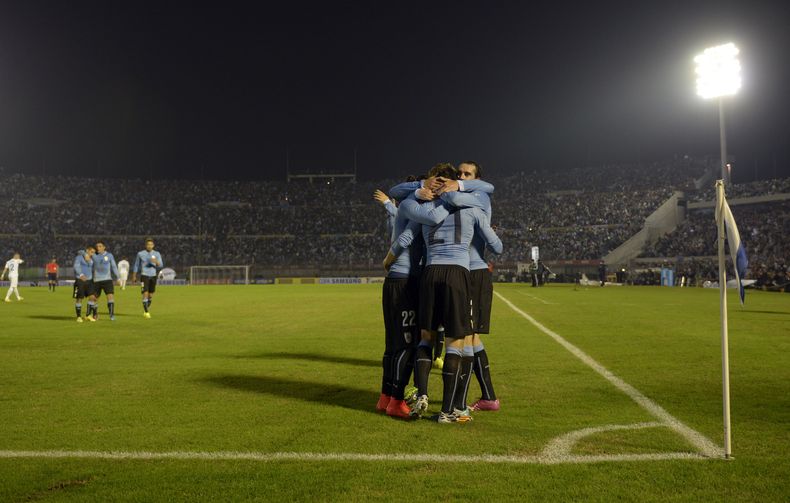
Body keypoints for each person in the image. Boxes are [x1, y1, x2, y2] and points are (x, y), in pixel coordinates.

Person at [393, 163, 503, 424]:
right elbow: (497, 247)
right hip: (458, 273)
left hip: (430, 273)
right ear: (455, 181)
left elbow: (407, 229)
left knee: (426, 337)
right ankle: (450, 410)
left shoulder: (424, 209)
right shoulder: (473, 207)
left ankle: (421, 394)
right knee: (457, 342)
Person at [374, 182, 422, 419]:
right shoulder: (416, 214)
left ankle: (385, 397)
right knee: (407, 345)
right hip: (405, 284)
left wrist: (387, 205)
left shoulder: (400, 213)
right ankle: (396, 400)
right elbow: (405, 238)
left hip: (393, 283)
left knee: (392, 345)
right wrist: (388, 259)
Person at [131, 238, 163, 319]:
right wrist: (134, 276)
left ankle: (146, 309)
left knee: (150, 295)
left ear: (153, 245)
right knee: (145, 293)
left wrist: (156, 262)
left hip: (153, 276)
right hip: (144, 275)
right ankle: (146, 312)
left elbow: (161, 265)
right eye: (148, 244)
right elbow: (136, 265)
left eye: (151, 244)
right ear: (145, 245)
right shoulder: (140, 254)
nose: (149, 246)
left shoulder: (157, 254)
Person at [91, 241, 120, 321]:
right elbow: (84, 254)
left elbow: (114, 266)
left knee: (110, 296)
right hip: (96, 280)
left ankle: (111, 315)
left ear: (104, 247)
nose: (98, 248)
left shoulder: (109, 255)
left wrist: (118, 277)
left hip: (107, 280)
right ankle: (95, 314)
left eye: (100, 246)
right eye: (97, 246)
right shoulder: (94, 256)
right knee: (94, 298)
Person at [73, 247, 95, 322]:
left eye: (93, 252)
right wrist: (81, 274)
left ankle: (88, 315)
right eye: (91, 252)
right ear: (87, 250)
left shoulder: (91, 259)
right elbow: (76, 266)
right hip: (80, 280)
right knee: (79, 298)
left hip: (89, 281)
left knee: (92, 297)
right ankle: (79, 317)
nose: (92, 254)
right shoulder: (79, 257)